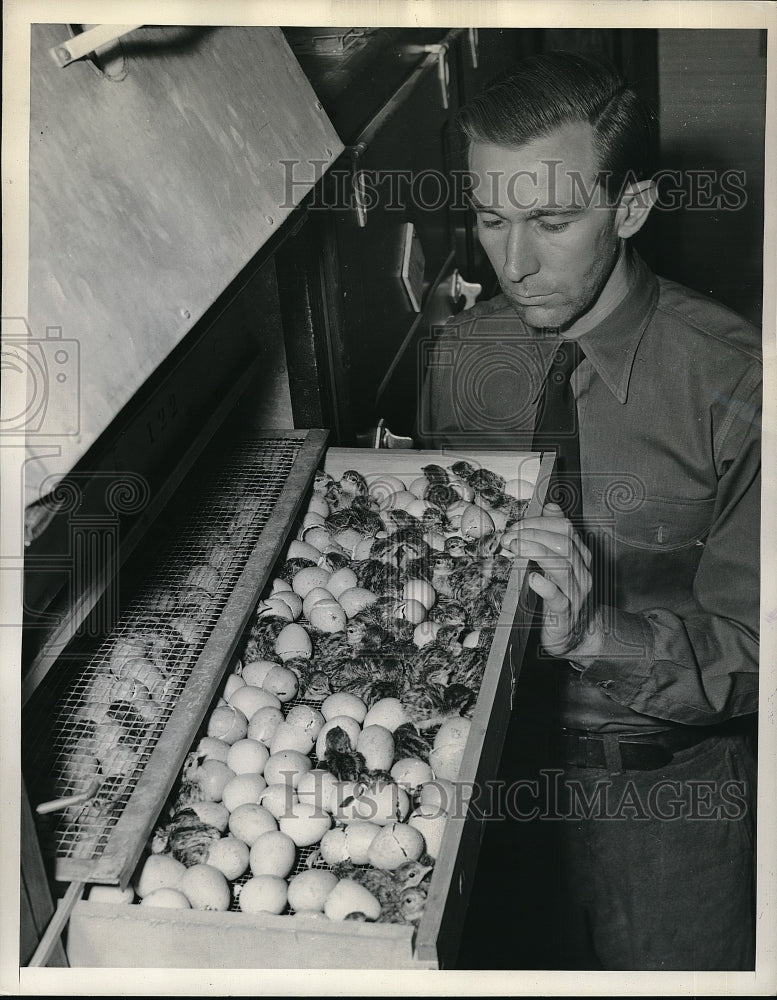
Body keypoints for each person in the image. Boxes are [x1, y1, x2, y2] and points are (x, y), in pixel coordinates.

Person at [417, 51, 760, 971]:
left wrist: (593, 633)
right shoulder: (458, 357)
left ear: (633, 208)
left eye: (553, 222)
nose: (514, 263)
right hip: (475, 795)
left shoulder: (738, 386)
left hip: (666, 815)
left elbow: (760, 656)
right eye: (490, 218)